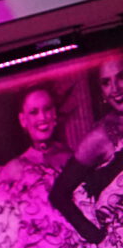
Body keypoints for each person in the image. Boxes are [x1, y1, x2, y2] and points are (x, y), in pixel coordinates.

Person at [0, 85, 88, 248]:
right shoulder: (13, 170)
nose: (42, 117)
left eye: (47, 109)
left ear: (55, 114)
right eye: (34, 112)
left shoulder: (72, 158)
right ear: (23, 120)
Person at [51, 54, 123, 246]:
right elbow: (59, 195)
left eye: (121, 77)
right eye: (106, 83)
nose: (115, 89)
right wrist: (97, 237)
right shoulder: (100, 137)